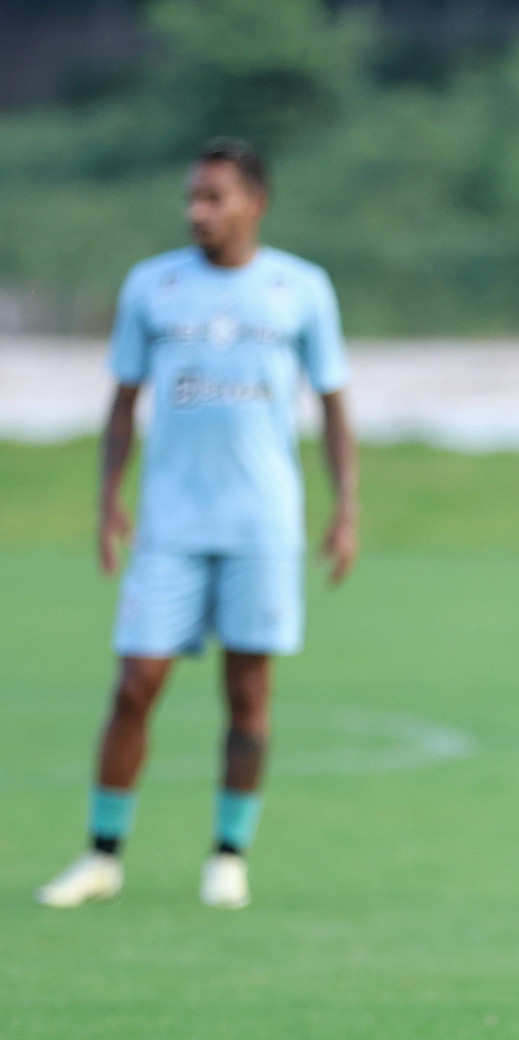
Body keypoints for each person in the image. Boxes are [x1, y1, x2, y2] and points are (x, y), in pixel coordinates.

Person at [36, 139, 358, 913]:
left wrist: (345, 506)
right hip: (170, 525)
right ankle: (102, 854)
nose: (198, 212)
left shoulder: (299, 289)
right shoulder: (154, 286)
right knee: (136, 682)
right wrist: (109, 496)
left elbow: (333, 403)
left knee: (248, 692)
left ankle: (228, 856)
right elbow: (123, 404)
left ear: (256, 203)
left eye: (214, 198)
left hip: (263, 525)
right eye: (192, 198)